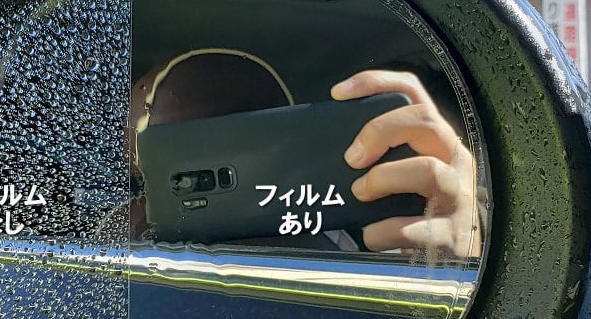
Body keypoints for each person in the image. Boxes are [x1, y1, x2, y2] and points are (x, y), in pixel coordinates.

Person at [129, 48, 482, 258]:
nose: (392, 171)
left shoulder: (331, 255)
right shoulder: (131, 229)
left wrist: (465, 260)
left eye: (421, 159)